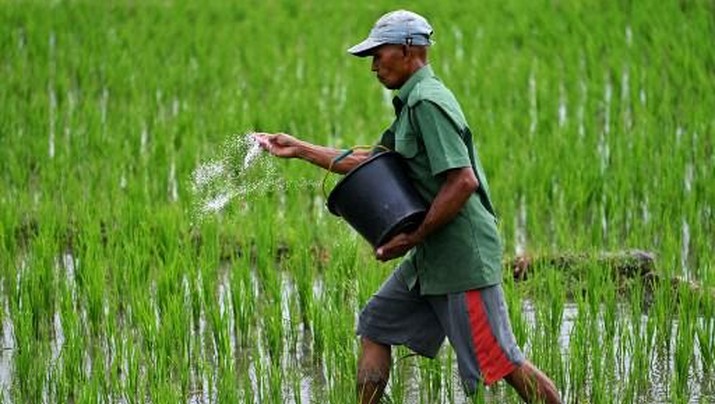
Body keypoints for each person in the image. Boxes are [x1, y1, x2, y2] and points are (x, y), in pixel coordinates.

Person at [256, 9, 561, 404]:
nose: (373, 67)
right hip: (431, 256)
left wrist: (411, 238)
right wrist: (299, 148)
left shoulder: (429, 103)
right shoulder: (412, 103)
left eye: (377, 55)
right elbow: (374, 160)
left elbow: (462, 181)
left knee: (502, 360)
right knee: (377, 324)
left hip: (462, 258)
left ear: (407, 49)